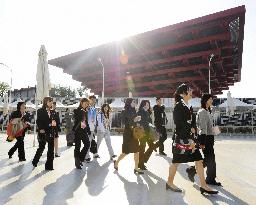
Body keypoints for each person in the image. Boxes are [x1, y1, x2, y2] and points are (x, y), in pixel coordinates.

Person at [166, 84, 218, 195]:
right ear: (182, 94)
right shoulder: (178, 106)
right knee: (176, 162)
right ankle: (169, 182)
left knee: (198, 159)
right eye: (189, 90)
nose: (191, 91)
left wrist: (193, 128)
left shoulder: (188, 106)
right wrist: (191, 129)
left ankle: (203, 185)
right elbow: (178, 123)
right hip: (181, 140)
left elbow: (192, 121)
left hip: (191, 140)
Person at [186, 94, 222, 186]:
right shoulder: (202, 112)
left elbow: (210, 126)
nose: (211, 101)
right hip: (205, 138)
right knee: (209, 159)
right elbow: (202, 128)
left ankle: (209, 178)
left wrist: (216, 130)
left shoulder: (208, 111)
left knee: (210, 159)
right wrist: (202, 142)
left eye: (212, 99)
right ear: (205, 100)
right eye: (210, 99)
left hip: (209, 137)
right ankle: (193, 170)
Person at [114, 98, 144, 174]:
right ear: (129, 102)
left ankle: (136, 168)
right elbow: (124, 122)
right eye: (133, 102)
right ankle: (116, 162)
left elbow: (135, 121)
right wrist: (134, 120)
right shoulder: (124, 111)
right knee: (125, 152)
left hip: (134, 133)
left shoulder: (134, 111)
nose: (135, 103)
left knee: (136, 151)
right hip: (128, 134)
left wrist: (137, 120)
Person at [32, 97, 57, 171]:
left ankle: (49, 166)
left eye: (52, 102)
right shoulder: (40, 111)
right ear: (45, 102)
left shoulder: (53, 111)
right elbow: (38, 121)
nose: (51, 103)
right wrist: (41, 129)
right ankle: (35, 161)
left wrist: (55, 127)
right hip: (43, 132)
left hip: (51, 131)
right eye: (50, 101)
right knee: (41, 147)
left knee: (51, 149)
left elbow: (55, 121)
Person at [137, 100, 157, 170]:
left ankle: (142, 161)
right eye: (146, 105)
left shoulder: (147, 112)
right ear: (143, 105)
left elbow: (149, 122)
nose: (148, 106)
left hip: (148, 133)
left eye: (148, 105)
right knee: (142, 148)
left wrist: (150, 113)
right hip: (142, 133)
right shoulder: (140, 112)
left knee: (152, 146)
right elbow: (139, 122)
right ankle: (141, 164)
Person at [73, 98, 91, 169]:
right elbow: (77, 119)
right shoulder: (78, 110)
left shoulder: (85, 111)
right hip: (77, 131)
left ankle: (80, 159)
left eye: (87, 103)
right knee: (77, 146)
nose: (86, 104)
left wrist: (88, 130)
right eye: (85, 103)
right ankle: (77, 162)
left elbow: (85, 122)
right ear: (81, 103)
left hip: (83, 130)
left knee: (87, 144)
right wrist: (82, 112)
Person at [85, 95, 99, 162]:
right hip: (87, 128)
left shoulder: (94, 108)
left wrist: (95, 127)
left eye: (95, 99)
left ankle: (88, 155)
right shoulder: (87, 108)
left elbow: (94, 119)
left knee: (90, 142)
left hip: (92, 128)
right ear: (89, 100)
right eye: (92, 99)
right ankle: (86, 156)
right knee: (88, 143)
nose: (94, 101)